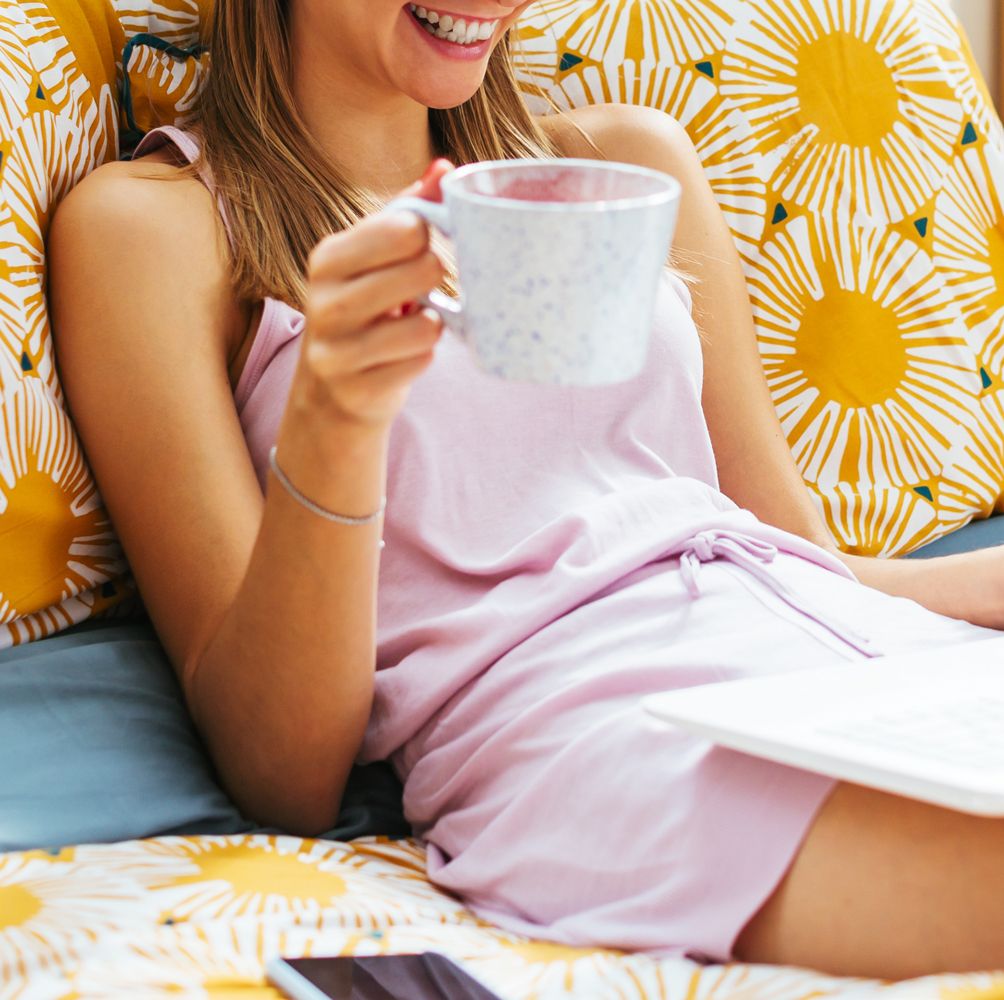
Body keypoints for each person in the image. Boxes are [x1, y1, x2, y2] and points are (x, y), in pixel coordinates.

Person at [47, 0, 1004, 980]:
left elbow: (791, 549)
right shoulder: (155, 230)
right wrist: (335, 418)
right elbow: (279, 770)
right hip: (595, 743)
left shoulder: (628, 164)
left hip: (866, 666)